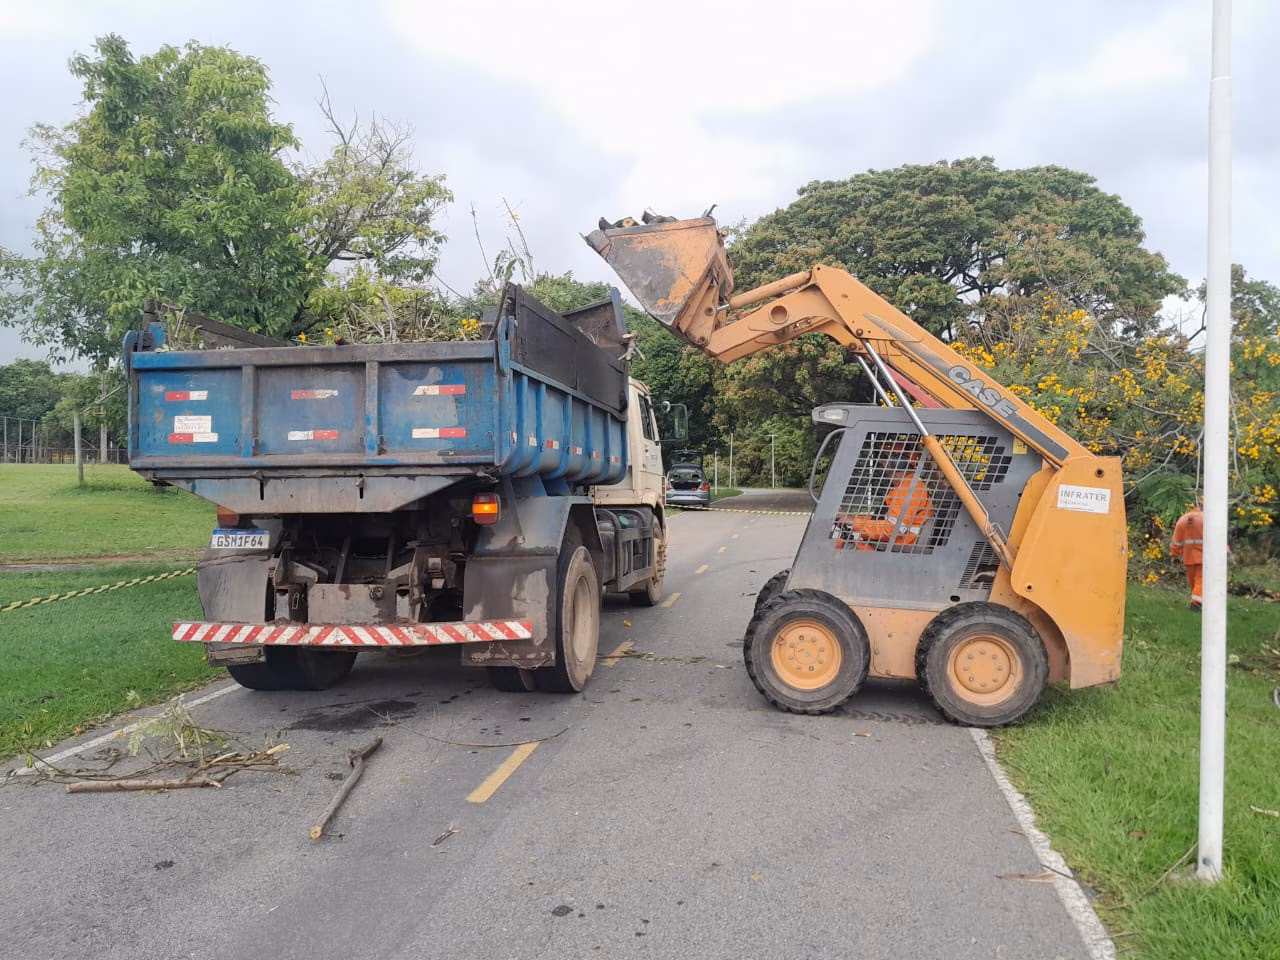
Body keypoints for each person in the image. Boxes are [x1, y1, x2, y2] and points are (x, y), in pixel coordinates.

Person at [836, 447, 934, 551]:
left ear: (899, 462)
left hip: (894, 550)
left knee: (837, 549)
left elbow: (893, 529)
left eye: (885, 457)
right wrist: (850, 518)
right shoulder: (903, 486)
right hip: (888, 547)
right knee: (839, 544)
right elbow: (881, 520)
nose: (880, 461)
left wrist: (854, 522)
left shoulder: (910, 488)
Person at [1170, 501, 1231, 611]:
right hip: (1204, 556)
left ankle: (1198, 601)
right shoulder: (1208, 519)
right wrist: (1226, 551)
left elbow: (1176, 541)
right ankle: (1196, 603)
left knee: (1193, 582)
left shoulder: (1182, 519)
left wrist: (1174, 554)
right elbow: (1218, 537)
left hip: (1188, 557)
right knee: (1200, 581)